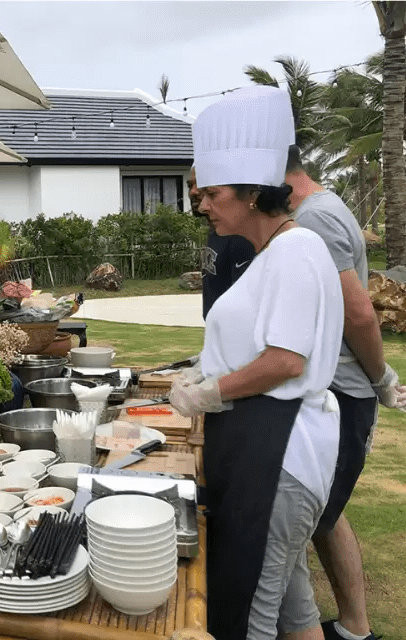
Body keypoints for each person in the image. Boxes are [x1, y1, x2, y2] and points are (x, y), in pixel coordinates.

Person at [169, 86, 342, 640]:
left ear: (250, 194)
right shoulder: (274, 253)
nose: (201, 204)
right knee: (293, 608)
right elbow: (258, 345)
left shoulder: (296, 250)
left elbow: (285, 361)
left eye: (211, 193)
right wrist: (206, 367)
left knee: (248, 614)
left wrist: (208, 392)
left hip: (279, 451)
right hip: (259, 442)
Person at [284, 145, 406, 640]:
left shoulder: (314, 220)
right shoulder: (318, 210)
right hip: (335, 393)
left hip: (340, 395)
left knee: (303, 519)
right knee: (324, 514)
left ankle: (314, 629)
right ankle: (355, 628)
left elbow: (358, 313)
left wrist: (382, 382)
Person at [188, 166, 256, 318]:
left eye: (200, 186)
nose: (193, 192)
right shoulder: (216, 230)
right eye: (189, 185)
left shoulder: (241, 237)